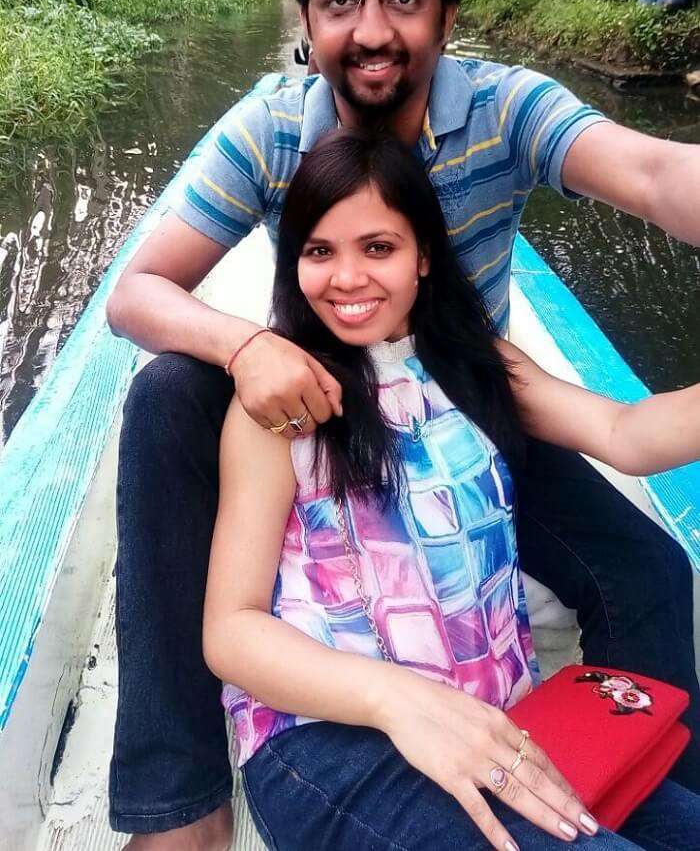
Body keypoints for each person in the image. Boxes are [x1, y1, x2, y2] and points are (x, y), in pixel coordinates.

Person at [106, 0, 700, 848]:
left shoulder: (506, 112)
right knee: (171, 391)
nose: (372, 28)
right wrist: (250, 345)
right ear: (309, 14)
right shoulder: (270, 128)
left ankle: (641, 766)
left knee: (646, 567)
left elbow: (651, 171)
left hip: (469, 399)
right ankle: (180, 803)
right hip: (320, 404)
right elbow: (138, 293)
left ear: (445, 14)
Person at [204, 128, 700, 851]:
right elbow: (231, 629)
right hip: (329, 744)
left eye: (378, 248)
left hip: (502, 725)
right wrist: (397, 702)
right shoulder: (281, 403)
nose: (347, 278)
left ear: (424, 257)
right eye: (320, 251)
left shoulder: (475, 363)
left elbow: (626, 432)